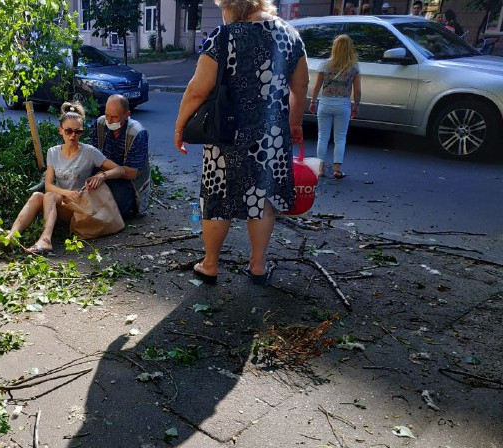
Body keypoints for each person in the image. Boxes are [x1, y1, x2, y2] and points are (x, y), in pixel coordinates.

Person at [173, 0, 308, 286]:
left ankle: (210, 265)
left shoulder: (223, 37)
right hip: (270, 137)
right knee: (262, 199)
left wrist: (180, 125)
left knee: (216, 198)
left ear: (233, 7)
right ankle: (257, 266)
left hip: (226, 135)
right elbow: (300, 86)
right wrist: (294, 124)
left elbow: (197, 91)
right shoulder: (289, 35)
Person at [5, 102, 126, 255]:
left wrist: (103, 174)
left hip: (80, 208)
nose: (73, 135)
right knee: (37, 196)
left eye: (78, 131)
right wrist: (66, 193)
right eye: (68, 131)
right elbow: (48, 185)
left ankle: (45, 241)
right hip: (60, 203)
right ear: (60, 131)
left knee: (49, 196)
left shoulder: (89, 152)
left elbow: (120, 170)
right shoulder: (53, 152)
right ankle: (10, 237)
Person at [309, 34, 361, 180]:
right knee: (340, 138)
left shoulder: (325, 64)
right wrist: (356, 105)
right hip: (343, 104)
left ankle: (320, 168)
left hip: (325, 103)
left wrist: (313, 102)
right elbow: (357, 91)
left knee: (322, 136)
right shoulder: (353, 67)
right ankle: (337, 169)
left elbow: (317, 86)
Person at [93, 94, 150, 219]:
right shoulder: (100, 123)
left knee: (116, 211)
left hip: (128, 182)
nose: (109, 120)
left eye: (114, 117)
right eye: (107, 115)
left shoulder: (138, 132)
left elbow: (132, 173)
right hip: (105, 171)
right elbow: (93, 155)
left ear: (127, 115)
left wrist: (106, 173)